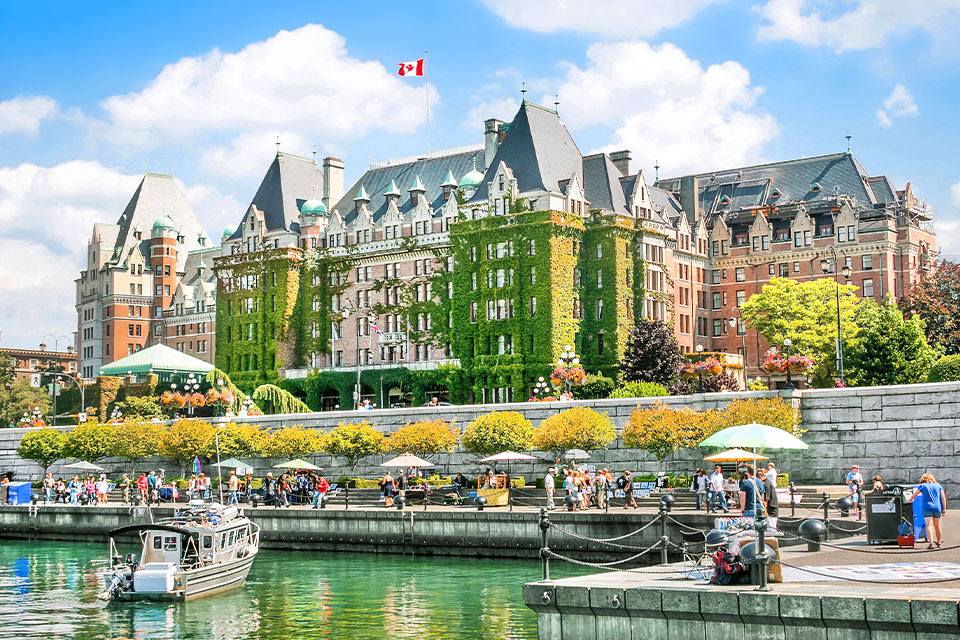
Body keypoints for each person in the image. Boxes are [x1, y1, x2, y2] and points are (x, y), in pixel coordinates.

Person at [907, 473, 947, 549]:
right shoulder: (938, 485)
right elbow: (943, 498)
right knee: (937, 525)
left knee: (929, 525)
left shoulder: (923, 486)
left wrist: (910, 499)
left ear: (923, 480)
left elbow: (914, 495)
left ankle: (931, 543)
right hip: (937, 507)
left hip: (927, 507)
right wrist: (944, 509)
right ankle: (938, 542)